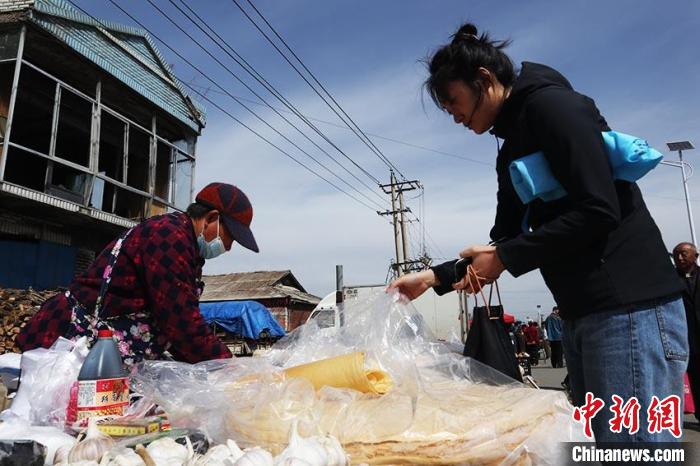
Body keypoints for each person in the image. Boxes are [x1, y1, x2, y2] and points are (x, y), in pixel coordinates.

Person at [388, 22, 686, 443]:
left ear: (485, 81)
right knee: (604, 446)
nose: (452, 115)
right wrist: (433, 278)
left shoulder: (554, 108)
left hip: (630, 309)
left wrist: (507, 257)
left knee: (633, 449)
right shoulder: (511, 146)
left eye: (453, 101)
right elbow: (504, 240)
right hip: (583, 314)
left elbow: (600, 209)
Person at [17, 182, 259, 366]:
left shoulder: (188, 248)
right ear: (212, 219)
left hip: (101, 355)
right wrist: (228, 366)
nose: (228, 248)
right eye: (230, 239)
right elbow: (180, 322)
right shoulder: (169, 237)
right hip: (67, 346)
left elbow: (173, 325)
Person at [673, 242, 700, 425]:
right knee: (696, 379)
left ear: (695, 256)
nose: (680, 258)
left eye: (684, 254)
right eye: (676, 255)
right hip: (687, 339)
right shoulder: (670, 281)